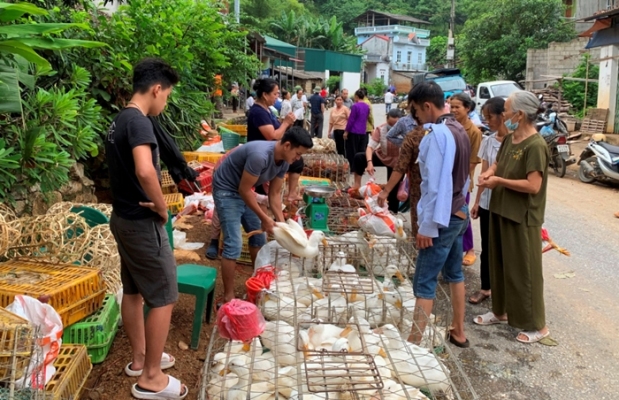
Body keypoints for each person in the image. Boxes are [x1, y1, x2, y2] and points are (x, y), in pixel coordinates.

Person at [105, 58, 188, 399]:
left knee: (134, 292)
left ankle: (141, 359)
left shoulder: (119, 121)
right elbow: (144, 170)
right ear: (156, 89)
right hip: (141, 224)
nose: (165, 102)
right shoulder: (139, 123)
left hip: (122, 219)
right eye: (166, 96)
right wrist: (162, 205)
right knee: (165, 294)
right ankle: (151, 378)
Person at [475, 91, 550, 344]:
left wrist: (498, 181)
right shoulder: (510, 139)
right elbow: (498, 163)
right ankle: (500, 311)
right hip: (500, 208)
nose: (503, 114)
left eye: (506, 110)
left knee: (524, 271)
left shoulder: (535, 145)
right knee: (500, 264)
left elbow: (533, 186)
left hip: (522, 216)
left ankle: (537, 326)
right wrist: (490, 175)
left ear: (519, 114)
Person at [403, 82, 471, 349]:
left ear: (427, 106)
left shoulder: (437, 135)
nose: (417, 118)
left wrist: (427, 227)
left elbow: (434, 186)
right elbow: (463, 180)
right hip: (458, 212)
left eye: (417, 112)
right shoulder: (460, 130)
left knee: (424, 282)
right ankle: (459, 331)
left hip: (442, 218)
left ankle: (413, 347)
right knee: (454, 273)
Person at [212, 128, 313, 303]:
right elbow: (243, 190)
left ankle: (257, 282)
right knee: (233, 244)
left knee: (259, 239)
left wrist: (283, 226)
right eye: (297, 154)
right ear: (287, 145)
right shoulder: (260, 156)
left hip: (244, 190)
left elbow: (274, 195)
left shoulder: (284, 161)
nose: (298, 158)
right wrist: (265, 219)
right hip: (226, 190)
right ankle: (228, 296)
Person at [468, 97, 508, 305]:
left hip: (507, 205)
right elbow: (484, 173)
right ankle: (486, 288)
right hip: (488, 203)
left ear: (504, 115)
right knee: (488, 248)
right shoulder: (488, 141)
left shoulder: (516, 143)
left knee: (506, 249)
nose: (487, 121)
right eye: (485, 117)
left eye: (490, 116)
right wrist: (477, 202)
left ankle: (505, 292)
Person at [247, 79, 304, 204]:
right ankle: (271, 201)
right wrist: (286, 123)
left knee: (297, 162)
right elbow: (272, 136)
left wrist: (287, 123)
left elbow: (278, 129)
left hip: (268, 151)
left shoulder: (267, 110)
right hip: (260, 153)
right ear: (265, 95)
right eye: (275, 94)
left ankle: (282, 196)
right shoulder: (258, 112)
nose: (277, 97)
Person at [378, 92, 425, 234]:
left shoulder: (435, 126)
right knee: (412, 196)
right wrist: (405, 144)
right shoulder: (405, 123)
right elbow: (390, 135)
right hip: (413, 167)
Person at [450, 93, 482, 267]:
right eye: (452, 106)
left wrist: (456, 177)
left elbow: (473, 162)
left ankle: (469, 249)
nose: (454, 110)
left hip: (462, 181)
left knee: (462, 215)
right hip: (447, 180)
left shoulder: (474, 132)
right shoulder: (448, 126)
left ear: (467, 108)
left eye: (458, 107)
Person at [353, 109, 403, 214]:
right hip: (382, 156)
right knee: (359, 157)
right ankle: (356, 186)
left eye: (396, 126)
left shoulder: (407, 130)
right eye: (390, 125)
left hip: (398, 162)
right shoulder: (380, 129)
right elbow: (370, 147)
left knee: (393, 191)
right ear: (386, 120)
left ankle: (391, 214)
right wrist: (369, 162)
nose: (393, 128)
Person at [343, 89, 371, 170]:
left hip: (354, 131)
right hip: (363, 131)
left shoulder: (355, 106)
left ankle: (353, 167)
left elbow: (351, 120)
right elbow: (366, 118)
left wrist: (346, 131)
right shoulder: (367, 106)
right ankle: (360, 168)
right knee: (361, 150)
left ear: (356, 97)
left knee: (352, 150)